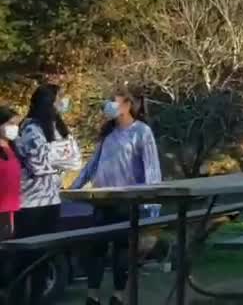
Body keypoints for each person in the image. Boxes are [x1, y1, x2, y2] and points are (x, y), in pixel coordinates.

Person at [71, 87, 163, 305]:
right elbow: (93, 164)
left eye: (114, 101)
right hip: (103, 200)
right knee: (97, 248)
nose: (109, 105)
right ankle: (92, 294)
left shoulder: (141, 132)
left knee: (122, 250)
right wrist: (75, 188)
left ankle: (118, 295)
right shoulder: (108, 132)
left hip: (127, 201)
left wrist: (153, 203)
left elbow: (151, 168)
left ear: (127, 105)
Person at [14, 83, 82, 304]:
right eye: (59, 98)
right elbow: (37, 165)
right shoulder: (30, 128)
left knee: (46, 258)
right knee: (26, 260)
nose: (63, 102)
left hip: (52, 201)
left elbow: (75, 160)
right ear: (48, 102)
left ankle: (37, 300)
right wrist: (57, 158)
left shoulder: (57, 128)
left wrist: (52, 156)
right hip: (31, 205)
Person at [1, 106, 20, 242]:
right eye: (10, 124)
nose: (14, 128)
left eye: (16, 124)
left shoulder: (12, 149)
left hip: (10, 209)